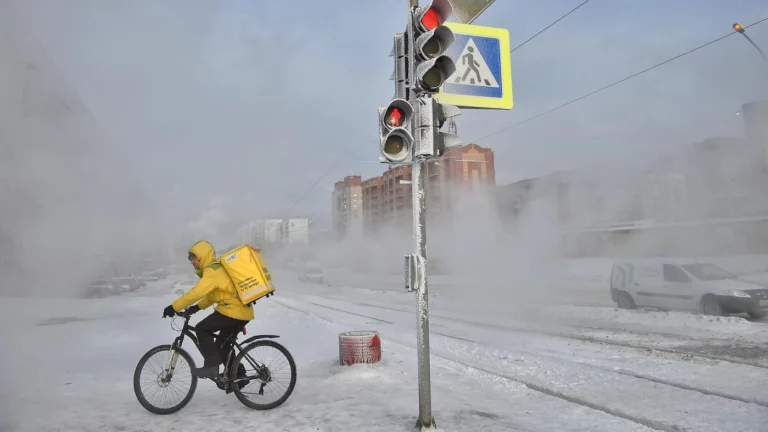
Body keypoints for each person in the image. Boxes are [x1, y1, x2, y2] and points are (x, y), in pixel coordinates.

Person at [162, 240, 254, 379]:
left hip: (233, 311)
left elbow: (197, 292)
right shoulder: (215, 269)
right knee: (221, 347)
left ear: (202, 256)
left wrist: (173, 307)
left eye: (193, 258)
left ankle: (211, 368)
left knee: (201, 328)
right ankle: (238, 377)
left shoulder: (212, 271)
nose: (191, 262)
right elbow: (212, 296)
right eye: (190, 259)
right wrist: (195, 308)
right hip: (240, 312)